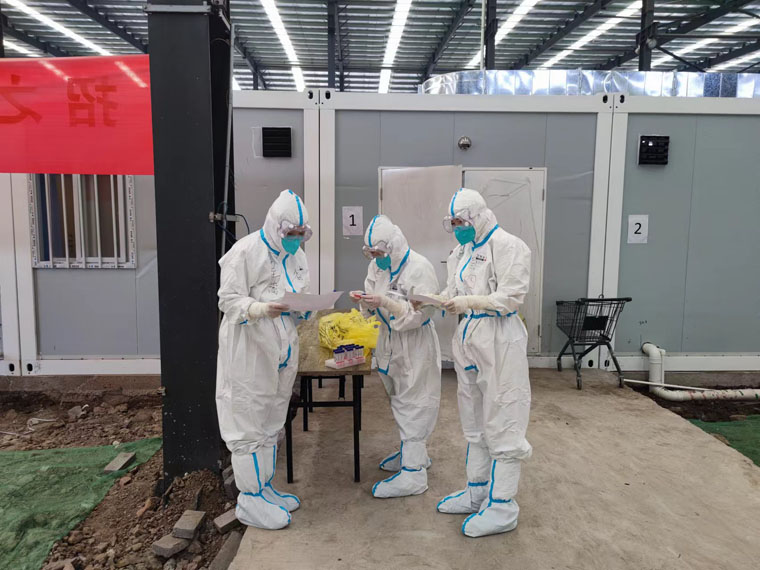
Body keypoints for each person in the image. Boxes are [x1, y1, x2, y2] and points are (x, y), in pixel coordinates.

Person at [434, 188, 532, 538]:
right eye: (453, 223)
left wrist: (469, 302)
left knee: (504, 416)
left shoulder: (509, 246)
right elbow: (454, 292)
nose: (458, 228)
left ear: (477, 217)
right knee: (474, 418)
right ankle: (477, 492)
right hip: (469, 337)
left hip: (500, 338)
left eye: (462, 222)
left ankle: (503, 506)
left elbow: (510, 298)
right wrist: (431, 300)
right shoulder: (462, 251)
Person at [216, 189, 312, 530]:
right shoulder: (245, 251)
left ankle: (264, 488)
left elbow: (297, 291)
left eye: (300, 233)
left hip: (282, 348)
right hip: (250, 349)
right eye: (290, 233)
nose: (295, 239)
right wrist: (258, 309)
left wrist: (305, 308)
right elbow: (227, 300)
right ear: (275, 226)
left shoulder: (297, 256)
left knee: (272, 419)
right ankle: (249, 499)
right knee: (248, 421)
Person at [349, 215, 441, 498]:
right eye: (371, 254)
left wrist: (386, 302)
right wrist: (365, 302)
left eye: (379, 253)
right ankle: (412, 453)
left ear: (394, 246)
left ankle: (414, 474)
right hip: (389, 341)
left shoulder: (420, 268)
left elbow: (421, 315)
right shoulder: (376, 267)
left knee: (415, 404)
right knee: (398, 400)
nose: (376, 259)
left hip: (414, 343)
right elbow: (373, 298)